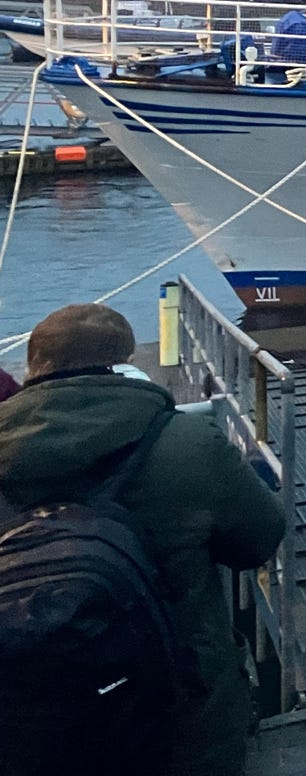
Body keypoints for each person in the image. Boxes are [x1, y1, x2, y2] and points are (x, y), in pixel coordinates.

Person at [0, 303, 286, 776]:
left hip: (29, 724)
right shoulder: (188, 441)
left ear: (33, 367)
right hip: (182, 715)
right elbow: (260, 539)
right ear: (124, 363)